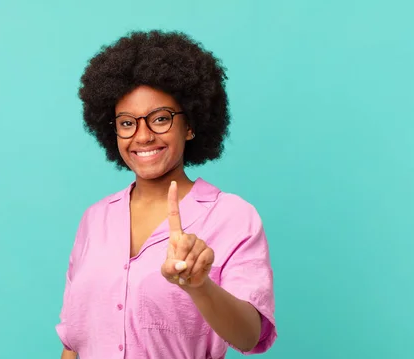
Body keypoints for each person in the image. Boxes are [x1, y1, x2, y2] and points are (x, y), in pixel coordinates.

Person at [56, 30, 277, 359]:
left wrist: (199, 286)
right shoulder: (94, 219)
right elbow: (73, 343)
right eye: (127, 123)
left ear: (189, 125)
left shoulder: (232, 217)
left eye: (160, 119)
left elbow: (249, 336)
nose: (143, 136)